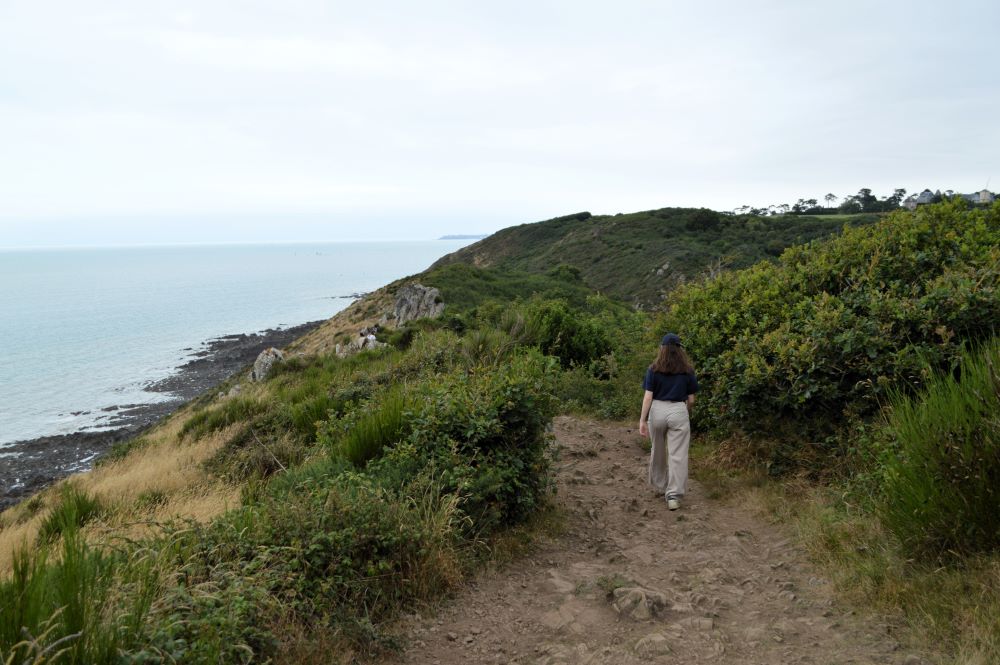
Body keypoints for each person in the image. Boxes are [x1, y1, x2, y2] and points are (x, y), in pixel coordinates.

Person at [638, 333, 698, 511]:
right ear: (679, 349)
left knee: (657, 449)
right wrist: (684, 412)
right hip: (678, 409)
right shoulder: (687, 370)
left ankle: (660, 484)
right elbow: (692, 399)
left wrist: (642, 420)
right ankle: (673, 495)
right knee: (677, 455)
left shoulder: (653, 369)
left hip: (657, 410)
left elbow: (648, 396)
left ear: (662, 349)